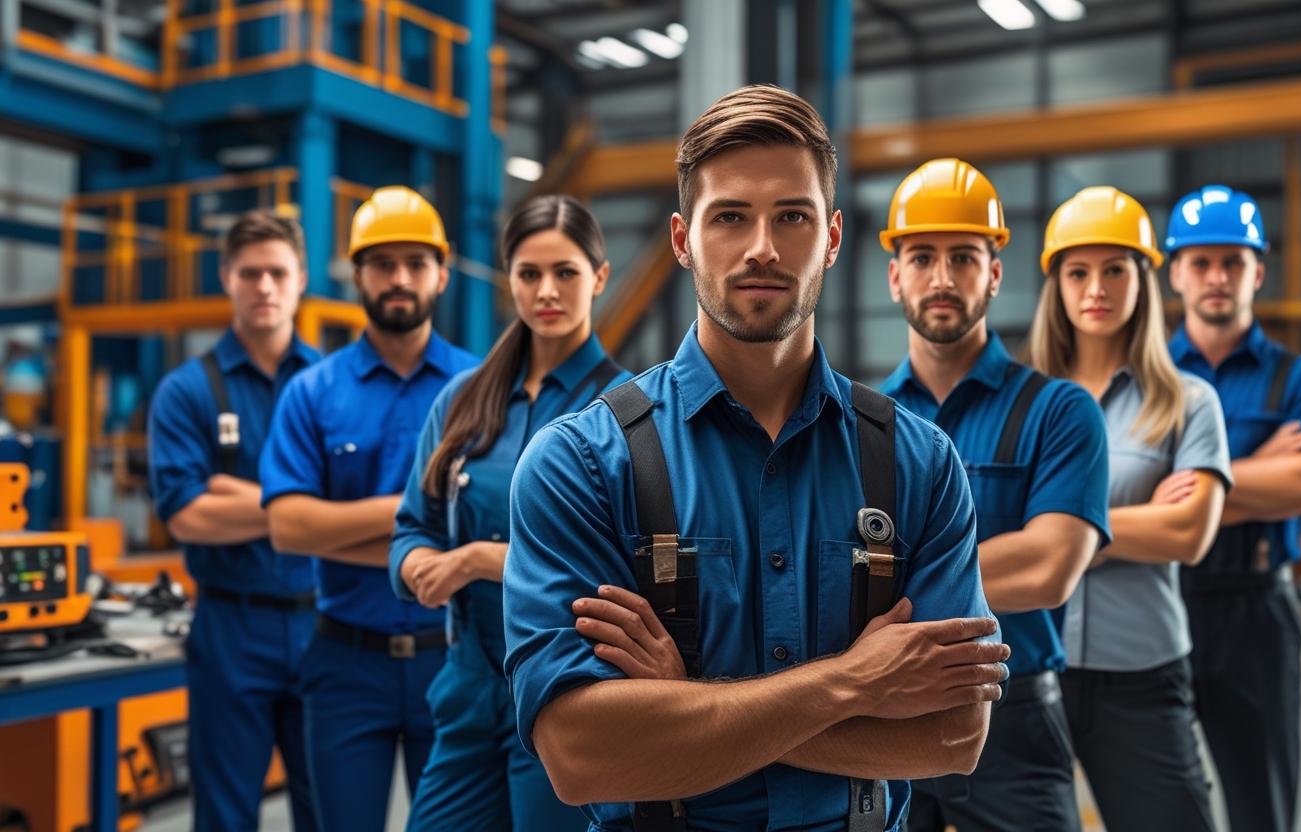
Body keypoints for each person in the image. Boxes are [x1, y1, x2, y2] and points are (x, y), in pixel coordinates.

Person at [502, 84, 1010, 832]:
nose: (763, 247)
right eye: (730, 217)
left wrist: (692, 700)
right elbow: (582, 755)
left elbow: (953, 736)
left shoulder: (919, 462)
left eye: (793, 217)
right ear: (682, 239)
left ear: (833, 237)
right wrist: (852, 682)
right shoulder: (580, 463)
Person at [877, 159, 1110, 832]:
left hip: (1016, 721)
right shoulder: (855, 422)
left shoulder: (1061, 412)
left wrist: (883, 593)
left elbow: (1050, 567)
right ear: (895, 276)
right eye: (922, 257)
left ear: (995, 273)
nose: (943, 278)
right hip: (882, 710)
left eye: (964, 257)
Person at [390, 194, 629, 831]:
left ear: (599, 278)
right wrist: (415, 564)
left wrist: (475, 560)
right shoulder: (463, 401)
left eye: (566, 273)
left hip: (571, 689)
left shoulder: (626, 413)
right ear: (509, 280)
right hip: (470, 686)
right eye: (529, 274)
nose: (546, 291)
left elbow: (621, 566)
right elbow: (413, 524)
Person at [260, 186, 478, 831]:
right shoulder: (312, 392)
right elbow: (287, 528)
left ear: (442, 271)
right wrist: (422, 517)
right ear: (357, 274)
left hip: (455, 659)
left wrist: (341, 526)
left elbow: (491, 524)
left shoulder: (481, 389)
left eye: (416, 262)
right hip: (344, 664)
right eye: (383, 264)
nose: (400, 279)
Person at [1029, 186, 1231, 832]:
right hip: (1031, 673)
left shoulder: (1189, 402)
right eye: (1078, 271)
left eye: (1116, 269)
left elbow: (1189, 532)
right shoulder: (1021, 404)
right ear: (1055, 284)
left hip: (1142, 679)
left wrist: (1060, 533)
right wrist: (1130, 522)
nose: (1097, 287)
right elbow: (997, 524)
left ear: (1143, 280)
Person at [1165, 185, 1301, 832]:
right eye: (1202, 261)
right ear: (1176, 271)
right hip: (1162, 604)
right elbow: (1122, 496)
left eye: (1234, 262)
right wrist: (1263, 466)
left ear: (1257, 272)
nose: (1218, 277)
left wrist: (1190, 486)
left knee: (1261, 809)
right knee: (1157, 804)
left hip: (1258, 615)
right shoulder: (1147, 376)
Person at [147, 211, 320, 832]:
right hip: (229, 628)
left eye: (278, 272)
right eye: (251, 273)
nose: (265, 287)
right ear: (227, 278)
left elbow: (371, 508)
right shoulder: (185, 392)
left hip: (324, 625)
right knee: (224, 816)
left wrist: (234, 495)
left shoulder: (333, 386)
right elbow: (188, 517)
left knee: (330, 813)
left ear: (301, 279)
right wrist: (306, 508)